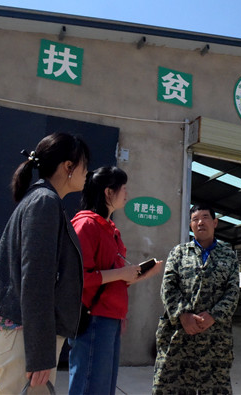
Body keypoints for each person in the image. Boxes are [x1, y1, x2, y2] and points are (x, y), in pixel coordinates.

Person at [0, 132, 90, 394]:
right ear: (68, 167)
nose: (87, 172)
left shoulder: (43, 200)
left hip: (26, 336)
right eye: (84, 164)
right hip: (25, 338)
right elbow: (36, 279)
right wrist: (40, 354)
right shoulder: (45, 202)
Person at [68, 166, 164, 395]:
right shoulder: (86, 225)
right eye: (123, 188)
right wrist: (122, 274)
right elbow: (78, 276)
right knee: (91, 385)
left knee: (103, 386)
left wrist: (139, 274)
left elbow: (111, 278)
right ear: (108, 193)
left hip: (110, 317)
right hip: (94, 317)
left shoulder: (109, 229)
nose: (127, 193)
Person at [152, 204, 240, 394]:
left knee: (214, 387)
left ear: (215, 222)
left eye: (205, 217)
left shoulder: (229, 256)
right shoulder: (179, 253)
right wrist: (183, 315)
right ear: (191, 225)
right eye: (195, 219)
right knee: (170, 387)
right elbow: (168, 287)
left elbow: (233, 292)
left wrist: (213, 316)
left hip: (215, 339)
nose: (200, 222)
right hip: (179, 338)